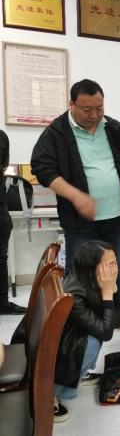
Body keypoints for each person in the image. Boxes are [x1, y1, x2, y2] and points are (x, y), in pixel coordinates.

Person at [30, 79, 120, 302]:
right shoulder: (57, 132)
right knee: (80, 274)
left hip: (113, 217)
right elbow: (42, 169)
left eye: (99, 108)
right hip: (79, 221)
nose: (94, 115)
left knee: (112, 270)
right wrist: (76, 196)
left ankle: (114, 313)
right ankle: (79, 316)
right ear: (71, 104)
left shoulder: (112, 127)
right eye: (87, 109)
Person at [54, 240, 120, 422]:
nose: (117, 268)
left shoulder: (91, 280)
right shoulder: (74, 295)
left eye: (116, 262)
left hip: (64, 339)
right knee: (92, 342)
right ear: (93, 268)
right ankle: (51, 393)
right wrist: (108, 293)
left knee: (96, 331)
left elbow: (118, 321)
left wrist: (113, 292)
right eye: (110, 264)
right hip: (49, 349)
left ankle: (78, 372)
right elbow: (106, 333)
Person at [0, 130, 26, 314]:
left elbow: (4, 166)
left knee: (1, 258)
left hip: (0, 210)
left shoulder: (2, 137)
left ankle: (2, 302)